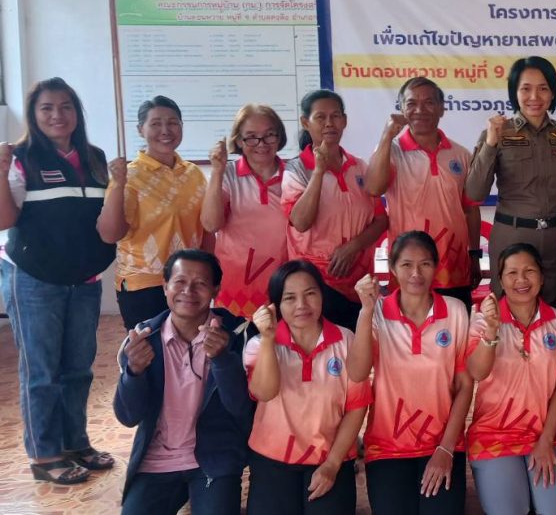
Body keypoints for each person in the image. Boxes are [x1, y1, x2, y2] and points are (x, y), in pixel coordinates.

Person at [0, 78, 117, 484]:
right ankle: (45, 454)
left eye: (65, 106)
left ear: (76, 113)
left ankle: (75, 443)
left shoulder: (95, 158)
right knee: (42, 371)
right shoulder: (21, 157)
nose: (57, 115)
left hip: (83, 280)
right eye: (47, 108)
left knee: (78, 368)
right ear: (34, 114)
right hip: (34, 279)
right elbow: (5, 220)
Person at [114, 249, 252, 515]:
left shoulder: (237, 335)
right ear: (165, 286)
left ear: (215, 290)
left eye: (200, 283)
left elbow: (241, 410)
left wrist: (223, 360)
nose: (188, 291)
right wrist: (134, 372)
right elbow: (128, 416)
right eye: (179, 281)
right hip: (156, 461)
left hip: (214, 459)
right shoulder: (142, 339)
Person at [348, 231, 473, 514]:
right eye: (406, 265)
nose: (416, 273)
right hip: (387, 446)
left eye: (425, 264)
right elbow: (357, 373)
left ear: (436, 266)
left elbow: (465, 385)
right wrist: (365, 312)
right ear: (392, 268)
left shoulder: (454, 311)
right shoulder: (377, 311)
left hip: (441, 442)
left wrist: (446, 449)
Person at [243, 259, 372, 514]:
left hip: (331, 458)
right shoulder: (258, 345)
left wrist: (332, 464)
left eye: (310, 294)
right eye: (290, 298)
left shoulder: (346, 340)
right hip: (272, 459)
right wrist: (269, 339)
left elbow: (357, 407)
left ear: (322, 295)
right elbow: (264, 392)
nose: (301, 305)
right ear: (276, 305)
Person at [465, 57, 556, 312]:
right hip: (513, 237)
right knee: (509, 317)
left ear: (553, 93)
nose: (535, 97)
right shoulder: (498, 133)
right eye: (526, 89)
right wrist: (490, 144)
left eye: (543, 88)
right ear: (515, 93)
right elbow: (475, 192)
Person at [465, 243, 556, 515]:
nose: (521, 280)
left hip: (545, 432)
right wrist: (491, 333)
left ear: (542, 277)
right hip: (494, 433)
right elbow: (477, 372)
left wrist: (546, 440)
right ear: (500, 280)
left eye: (529, 271)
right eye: (512, 273)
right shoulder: (482, 320)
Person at [364, 77, 482, 306]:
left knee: (456, 324)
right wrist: (386, 136)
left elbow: (470, 210)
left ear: (442, 108)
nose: (420, 110)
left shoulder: (461, 154)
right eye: (411, 103)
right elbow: (374, 188)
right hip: (409, 268)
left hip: (454, 267)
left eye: (429, 102)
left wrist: (474, 255)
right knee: (409, 327)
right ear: (401, 109)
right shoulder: (390, 151)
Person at [98, 96, 208, 330]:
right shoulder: (129, 175)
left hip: (188, 282)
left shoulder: (194, 174)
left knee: (190, 347)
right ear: (141, 129)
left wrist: (208, 274)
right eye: (156, 123)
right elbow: (110, 234)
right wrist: (118, 184)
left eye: (173, 122)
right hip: (143, 285)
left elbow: (205, 229)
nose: (165, 130)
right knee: (149, 349)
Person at [282, 89, 388, 330]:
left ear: (345, 121)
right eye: (320, 117)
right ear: (305, 122)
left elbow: (381, 220)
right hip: (316, 287)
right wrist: (319, 171)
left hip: (359, 284)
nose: (329, 123)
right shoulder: (296, 169)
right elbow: (300, 222)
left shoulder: (359, 166)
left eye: (335, 116)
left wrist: (353, 247)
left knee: (356, 346)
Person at [201, 104, 289, 319]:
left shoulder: (293, 174)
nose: (261, 144)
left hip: (283, 284)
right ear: (239, 141)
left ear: (279, 137)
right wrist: (217, 171)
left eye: (269, 135)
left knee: (281, 339)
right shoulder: (227, 174)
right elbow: (211, 224)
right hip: (236, 287)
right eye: (251, 137)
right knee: (235, 339)